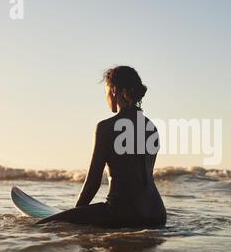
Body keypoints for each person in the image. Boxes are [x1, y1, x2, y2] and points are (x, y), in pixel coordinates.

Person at [37, 66, 166, 228]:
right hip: (156, 214)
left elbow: (93, 182)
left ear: (113, 90)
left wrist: (76, 215)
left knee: (42, 226)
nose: (106, 97)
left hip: (122, 213)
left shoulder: (106, 127)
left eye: (105, 91)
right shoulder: (151, 127)